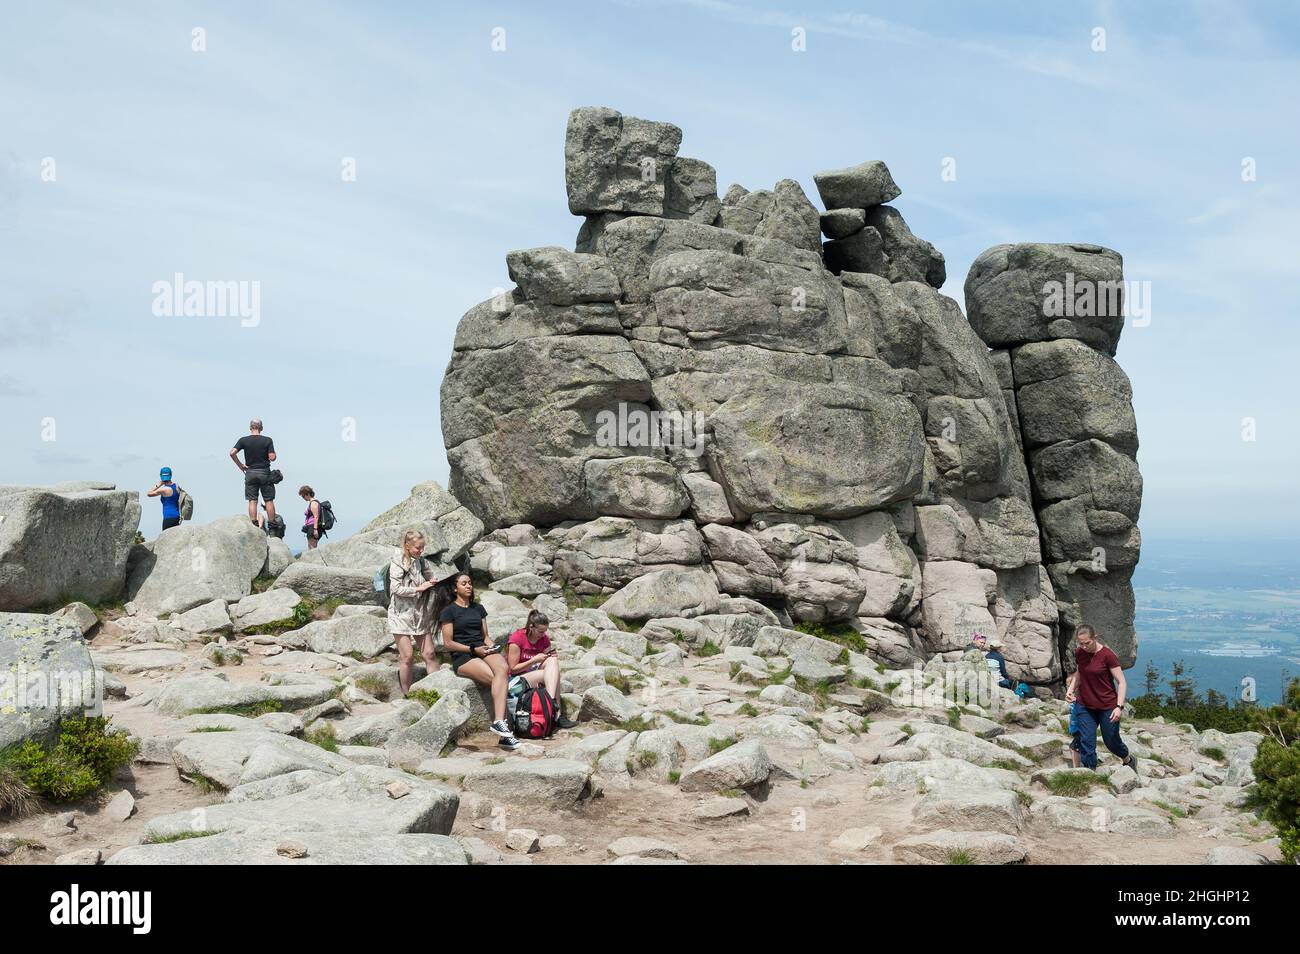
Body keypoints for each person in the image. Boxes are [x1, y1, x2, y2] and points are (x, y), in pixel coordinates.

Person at [434, 572, 514, 741]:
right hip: (463, 655)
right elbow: (448, 643)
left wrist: (492, 646)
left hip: (482, 648)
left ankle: (499, 722)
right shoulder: (449, 611)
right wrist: (473, 649)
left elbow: (485, 636)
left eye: (470, 583)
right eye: (464, 583)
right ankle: (505, 734)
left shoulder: (478, 608)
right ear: (455, 589)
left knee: (503, 669)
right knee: (497, 680)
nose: (469, 586)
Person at [1065, 624, 1139, 773]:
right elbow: (1080, 672)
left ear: (1095, 638)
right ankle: (1090, 772)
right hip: (1085, 704)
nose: (1084, 646)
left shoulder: (1107, 655)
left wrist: (1119, 707)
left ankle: (1128, 759)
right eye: (1081, 643)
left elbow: (1122, 682)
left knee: (1111, 741)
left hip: (1107, 706)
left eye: (1087, 643)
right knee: (1086, 740)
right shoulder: (1079, 652)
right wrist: (1071, 689)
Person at [506, 610, 577, 730]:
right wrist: (533, 660)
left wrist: (550, 656)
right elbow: (513, 669)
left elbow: (549, 661)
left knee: (553, 663)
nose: (543, 635)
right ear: (531, 627)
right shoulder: (517, 638)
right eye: (540, 631)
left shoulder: (544, 639)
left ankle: (552, 704)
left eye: (545, 631)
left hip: (535, 675)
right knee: (552, 674)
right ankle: (554, 710)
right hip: (516, 680)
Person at [387, 530, 439, 695]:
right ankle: (407, 694)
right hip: (400, 615)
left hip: (420, 613)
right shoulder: (397, 563)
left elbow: (431, 576)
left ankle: (437, 691)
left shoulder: (421, 561)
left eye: (423, 547)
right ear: (407, 546)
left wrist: (432, 580)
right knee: (407, 657)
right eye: (418, 547)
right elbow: (394, 588)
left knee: (429, 653)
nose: (421, 551)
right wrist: (418, 588)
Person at [230, 418, 277, 527]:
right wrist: (273, 454)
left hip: (250, 472)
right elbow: (272, 457)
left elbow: (232, 453)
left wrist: (240, 465)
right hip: (264, 472)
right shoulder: (267, 440)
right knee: (269, 500)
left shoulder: (243, 440)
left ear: (250, 427)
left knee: (252, 500)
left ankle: (253, 524)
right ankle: (272, 525)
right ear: (261, 428)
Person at [146, 466, 181, 531]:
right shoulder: (177, 486)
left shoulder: (164, 490)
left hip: (168, 518)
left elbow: (149, 493)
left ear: (161, 476)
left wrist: (158, 485)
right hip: (177, 517)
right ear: (170, 475)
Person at [299, 485, 323, 551]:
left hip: (313, 527)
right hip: (311, 527)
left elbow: (316, 517)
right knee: (310, 546)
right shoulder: (312, 502)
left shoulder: (313, 503)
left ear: (308, 494)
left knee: (312, 548)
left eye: (303, 496)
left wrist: (315, 530)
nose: (303, 498)